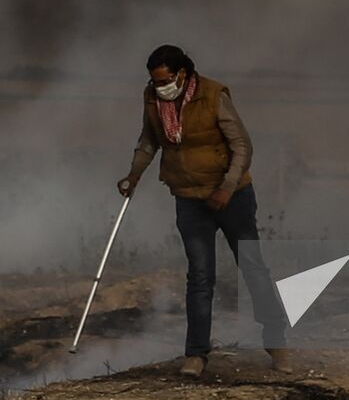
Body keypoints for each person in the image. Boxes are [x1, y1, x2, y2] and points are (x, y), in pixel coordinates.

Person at [118, 44, 290, 377]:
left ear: (183, 74)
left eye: (165, 80)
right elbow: (149, 140)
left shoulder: (212, 96)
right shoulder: (153, 98)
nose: (160, 87)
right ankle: (196, 354)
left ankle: (276, 340)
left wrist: (227, 188)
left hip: (232, 196)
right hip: (188, 197)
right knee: (199, 276)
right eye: (155, 82)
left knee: (253, 268)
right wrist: (134, 173)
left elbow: (242, 145)